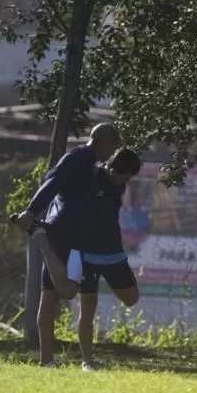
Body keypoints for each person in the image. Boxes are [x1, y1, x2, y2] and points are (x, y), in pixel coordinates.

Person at [13, 123, 122, 366]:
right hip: (64, 233)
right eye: (113, 147)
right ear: (104, 143)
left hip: (68, 233)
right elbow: (52, 182)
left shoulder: (91, 163)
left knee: (49, 297)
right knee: (68, 290)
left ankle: (46, 362)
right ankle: (40, 238)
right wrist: (31, 211)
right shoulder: (78, 157)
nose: (112, 153)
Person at [77, 148, 143, 371]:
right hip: (87, 254)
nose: (126, 181)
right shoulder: (90, 177)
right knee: (88, 307)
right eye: (125, 176)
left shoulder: (120, 184)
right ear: (113, 170)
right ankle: (87, 360)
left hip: (113, 252)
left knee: (131, 298)